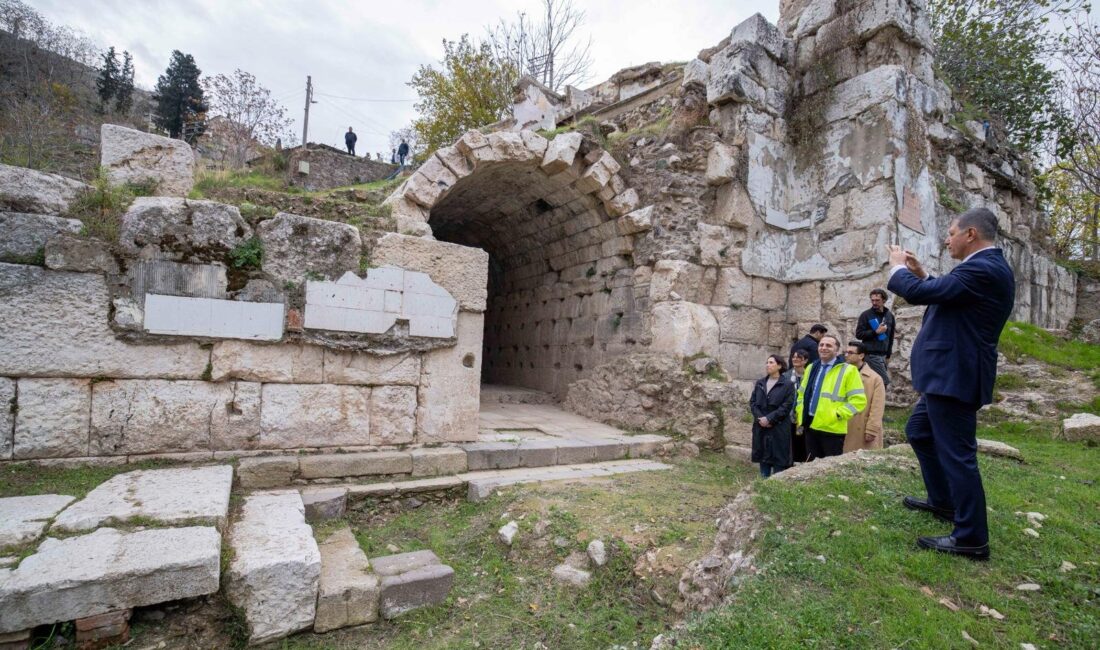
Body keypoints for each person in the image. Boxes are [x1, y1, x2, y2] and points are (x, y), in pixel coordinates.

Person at [886, 206, 1015, 561]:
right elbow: (944, 291)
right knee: (919, 431)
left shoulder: (984, 268)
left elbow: (917, 294)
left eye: (951, 233)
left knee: (959, 456)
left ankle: (972, 537)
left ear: (971, 234)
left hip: (955, 375)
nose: (947, 240)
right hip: (947, 375)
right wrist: (923, 273)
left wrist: (897, 267)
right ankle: (943, 502)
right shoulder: (982, 269)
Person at [794, 334, 867, 460]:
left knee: (828, 470)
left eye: (828, 345)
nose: (824, 348)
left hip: (832, 428)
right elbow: (801, 393)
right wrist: (800, 411)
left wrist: (838, 414)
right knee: (811, 467)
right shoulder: (811, 367)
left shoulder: (849, 370)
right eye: (821, 345)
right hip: (810, 424)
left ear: (837, 350)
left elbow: (859, 400)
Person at [749, 355, 796, 478]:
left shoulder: (788, 385)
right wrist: (761, 419)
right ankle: (763, 482)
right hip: (761, 426)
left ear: (779, 366)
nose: (768, 365)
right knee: (763, 456)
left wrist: (769, 419)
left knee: (778, 457)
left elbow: (786, 406)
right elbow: (753, 403)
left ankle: (776, 486)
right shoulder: (760, 383)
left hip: (778, 427)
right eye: (767, 362)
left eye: (771, 362)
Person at [842, 341, 885, 453]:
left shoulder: (875, 379)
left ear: (861, 356)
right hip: (842, 424)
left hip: (861, 427)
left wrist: (872, 429)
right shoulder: (840, 374)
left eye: (850, 352)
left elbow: (877, 407)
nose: (847, 355)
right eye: (846, 352)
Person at [855, 288, 895, 387]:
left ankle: (873, 402)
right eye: (872, 300)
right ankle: (879, 402)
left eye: (877, 300)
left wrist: (888, 355)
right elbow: (859, 334)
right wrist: (875, 332)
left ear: (884, 300)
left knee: (873, 383)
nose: (874, 302)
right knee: (883, 382)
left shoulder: (889, 316)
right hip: (871, 354)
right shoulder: (866, 315)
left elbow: (891, 337)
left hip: (883, 355)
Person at [785, 349, 811, 463]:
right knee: (790, 440)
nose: (795, 359)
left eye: (799, 357)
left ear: (805, 360)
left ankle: (802, 462)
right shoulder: (786, 376)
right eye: (794, 357)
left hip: (804, 414)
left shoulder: (810, 376)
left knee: (803, 439)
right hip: (789, 414)